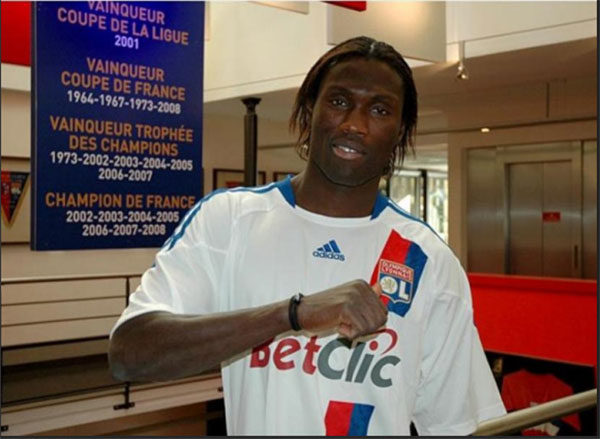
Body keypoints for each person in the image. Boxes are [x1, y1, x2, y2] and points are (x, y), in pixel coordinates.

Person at [109, 36, 506, 436]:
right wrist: (291, 315)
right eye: (339, 101)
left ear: (399, 133)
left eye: (379, 110)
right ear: (308, 112)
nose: (354, 124)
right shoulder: (229, 221)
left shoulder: (429, 260)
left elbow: (459, 424)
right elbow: (130, 353)